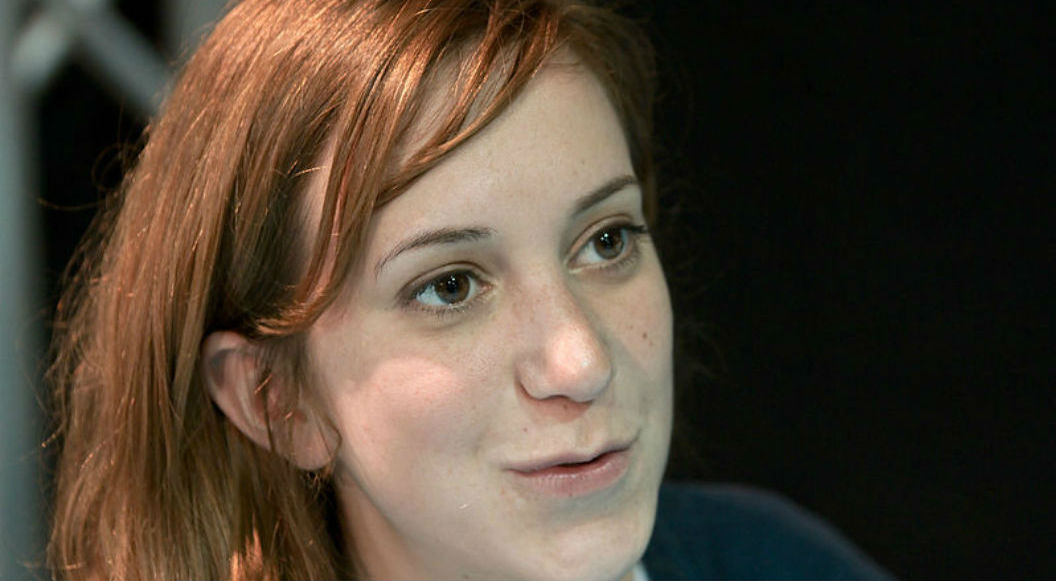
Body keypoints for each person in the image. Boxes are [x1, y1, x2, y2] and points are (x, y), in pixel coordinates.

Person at [45, 0, 893, 579]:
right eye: (449, 286)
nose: (582, 360)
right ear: (276, 400)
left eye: (606, 240)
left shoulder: (775, 559)